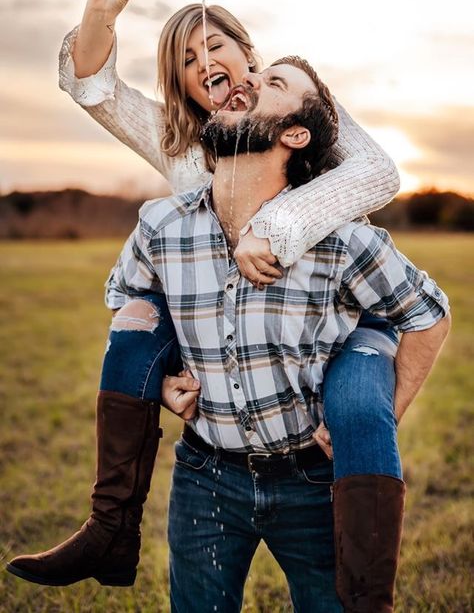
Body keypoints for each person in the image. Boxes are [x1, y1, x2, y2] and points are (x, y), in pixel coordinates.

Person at [6, 0, 402, 602]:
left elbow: (378, 170)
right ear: (184, 87)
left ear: (250, 53)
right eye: (188, 61)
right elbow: (93, 88)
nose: (205, 61)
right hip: (222, 388)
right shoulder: (185, 143)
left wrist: (275, 228)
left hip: (326, 333)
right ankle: (109, 524)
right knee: (136, 313)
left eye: (216, 46)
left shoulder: (304, 108)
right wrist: (105, 1)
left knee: (357, 419)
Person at [102, 57, 450, 612]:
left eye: (272, 84)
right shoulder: (161, 225)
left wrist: (389, 409)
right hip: (203, 476)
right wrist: (160, 379)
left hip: (311, 483)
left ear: (295, 134)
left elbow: (429, 315)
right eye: (253, 76)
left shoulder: (343, 243)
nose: (246, 82)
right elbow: (125, 301)